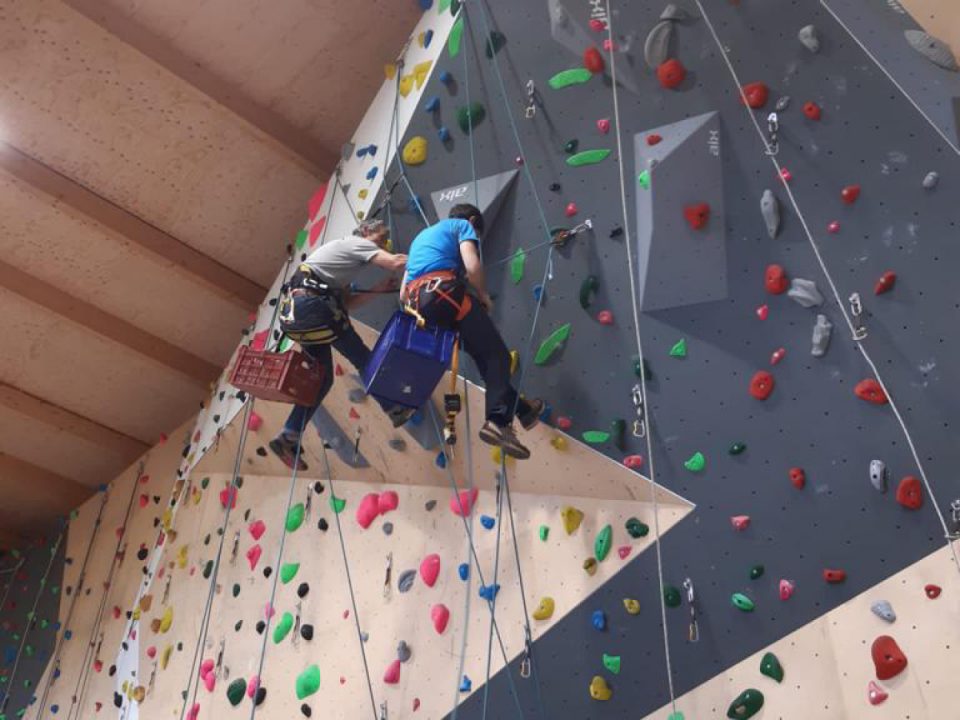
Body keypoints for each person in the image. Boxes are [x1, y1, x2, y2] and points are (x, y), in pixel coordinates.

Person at [401, 204, 543, 459]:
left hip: (421, 309)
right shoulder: (461, 226)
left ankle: (523, 410)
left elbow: (402, 294)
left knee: (486, 359)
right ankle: (498, 422)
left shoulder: (419, 240)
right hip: (445, 295)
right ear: (473, 220)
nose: (475, 237)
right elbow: (473, 266)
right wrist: (483, 295)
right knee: (498, 357)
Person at [269, 219, 412, 470]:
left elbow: (346, 305)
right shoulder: (355, 243)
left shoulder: (337, 265)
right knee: (364, 359)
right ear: (366, 231)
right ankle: (394, 408)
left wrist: (377, 289)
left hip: (298, 316)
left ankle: (288, 435)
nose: (383, 244)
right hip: (313, 309)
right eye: (381, 238)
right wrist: (429, 258)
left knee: (322, 379)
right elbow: (395, 262)